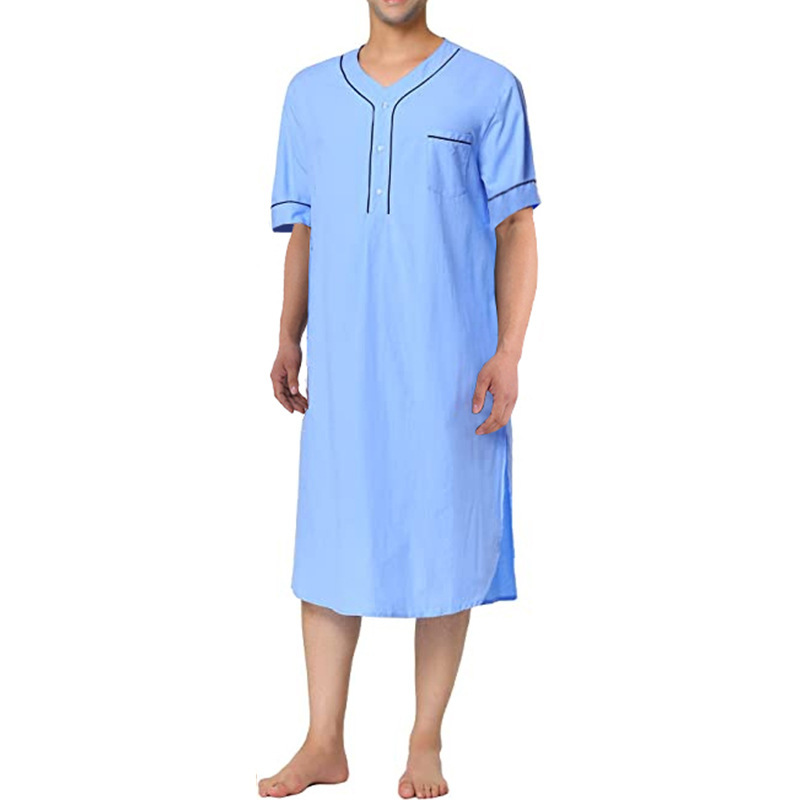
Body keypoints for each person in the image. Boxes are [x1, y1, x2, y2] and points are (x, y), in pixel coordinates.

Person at [260, 0, 540, 797]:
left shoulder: (488, 88)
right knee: (330, 542)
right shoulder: (310, 94)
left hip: (450, 365)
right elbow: (306, 229)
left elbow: (516, 229)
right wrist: (288, 335)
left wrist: (509, 352)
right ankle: (323, 742)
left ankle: (425, 742)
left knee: (444, 538)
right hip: (347, 364)